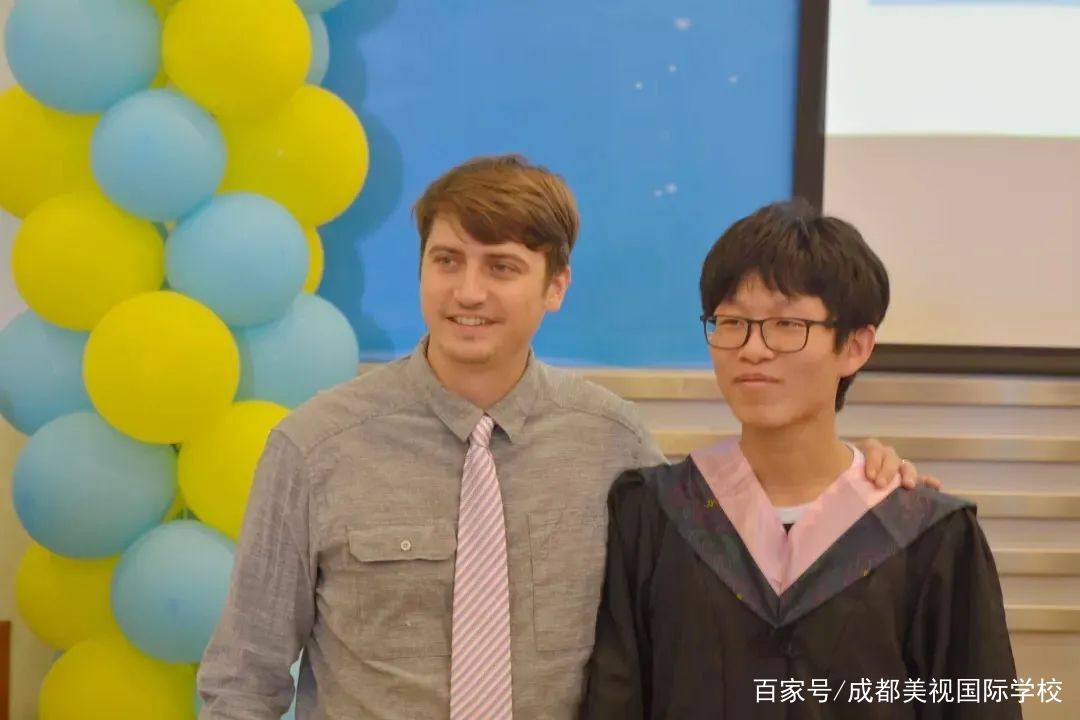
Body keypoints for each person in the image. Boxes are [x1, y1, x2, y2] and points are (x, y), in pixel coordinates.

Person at [197, 157, 932, 719]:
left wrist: (860, 474)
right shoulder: (316, 447)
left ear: (556, 287)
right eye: (446, 261)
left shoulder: (616, 444)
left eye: (502, 267)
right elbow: (243, 679)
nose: (468, 292)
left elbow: (706, 603)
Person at [579, 199, 1019, 719]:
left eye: (787, 323)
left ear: (856, 346)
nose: (753, 349)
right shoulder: (654, 515)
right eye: (731, 321)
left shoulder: (929, 535)